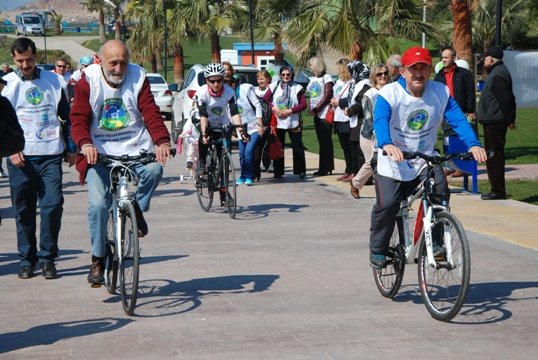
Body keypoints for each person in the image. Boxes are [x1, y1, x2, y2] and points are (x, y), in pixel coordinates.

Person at [369, 46, 487, 268]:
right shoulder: (389, 93)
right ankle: (378, 249)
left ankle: (438, 243)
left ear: (431, 70)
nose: (418, 73)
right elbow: (380, 120)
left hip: (424, 158)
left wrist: (473, 144)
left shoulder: (440, 92)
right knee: (389, 204)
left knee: (440, 192)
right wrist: (387, 144)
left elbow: (458, 120)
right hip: (392, 160)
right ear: (402, 71)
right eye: (413, 68)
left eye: (423, 67)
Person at [70, 40, 172, 286]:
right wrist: (85, 144)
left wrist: (161, 141)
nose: (118, 68)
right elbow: (78, 118)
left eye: (122, 62)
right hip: (99, 154)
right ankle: (98, 257)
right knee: (98, 205)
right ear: (100, 61)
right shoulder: (89, 80)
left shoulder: (138, 77)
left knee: (155, 169)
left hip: (135, 149)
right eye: (112, 62)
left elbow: (150, 111)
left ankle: (137, 206)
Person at [1, 37, 77, 279]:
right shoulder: (9, 84)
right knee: (23, 211)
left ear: (36, 57)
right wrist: (11, 149)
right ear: (13, 59)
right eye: (20, 61)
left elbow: (66, 115)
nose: (25, 65)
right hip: (20, 159)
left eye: (30, 60)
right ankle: (27, 259)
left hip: (50, 155)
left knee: (52, 206)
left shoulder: (54, 81)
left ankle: (47, 258)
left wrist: (71, 146)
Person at [197, 63, 246, 202]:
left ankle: (224, 193)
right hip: (204, 120)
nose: (216, 84)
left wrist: (241, 131)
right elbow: (203, 115)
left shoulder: (229, 92)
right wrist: (205, 134)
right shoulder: (202, 93)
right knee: (204, 136)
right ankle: (202, 163)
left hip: (222, 123)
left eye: (219, 80)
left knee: (224, 159)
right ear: (207, 80)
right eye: (212, 81)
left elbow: (234, 112)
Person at [477, 46, 516, 200]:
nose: (483, 60)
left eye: (485, 58)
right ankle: (497, 189)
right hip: (492, 119)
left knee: (494, 155)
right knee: (493, 154)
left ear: (491, 59)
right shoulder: (497, 72)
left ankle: (498, 191)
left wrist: (510, 118)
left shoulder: (498, 73)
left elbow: (506, 98)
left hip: (495, 120)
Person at [434, 47, 477, 177]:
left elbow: (470, 93)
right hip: (445, 114)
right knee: (448, 140)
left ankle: (463, 167)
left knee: (463, 139)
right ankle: (450, 165)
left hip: (463, 113)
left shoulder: (464, 74)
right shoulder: (439, 76)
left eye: (446, 57)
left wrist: (470, 111)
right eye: (442, 57)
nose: (444, 60)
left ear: (454, 58)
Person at [350, 63, 389, 199]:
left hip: (387, 134)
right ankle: (356, 184)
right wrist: (380, 132)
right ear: (374, 76)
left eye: (385, 73)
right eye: (379, 74)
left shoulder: (391, 91)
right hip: (369, 135)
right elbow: (368, 118)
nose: (383, 76)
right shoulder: (370, 94)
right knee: (372, 162)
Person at [270, 65, 307, 179]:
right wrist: (274, 108)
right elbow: (266, 99)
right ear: (280, 75)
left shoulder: (298, 87)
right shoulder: (274, 86)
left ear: (291, 75)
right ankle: (278, 171)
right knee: (278, 146)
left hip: (293, 120)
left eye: (288, 74)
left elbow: (303, 104)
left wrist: (291, 110)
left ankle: (300, 171)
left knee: (297, 146)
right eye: (283, 74)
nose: (286, 76)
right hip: (279, 121)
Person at [341, 60, 371, 183]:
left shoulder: (365, 84)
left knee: (361, 150)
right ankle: (356, 173)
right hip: (355, 121)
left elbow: (360, 103)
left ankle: (364, 178)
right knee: (355, 147)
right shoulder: (356, 83)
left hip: (361, 120)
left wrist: (349, 111)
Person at [307, 56, 334, 176]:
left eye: (311, 65)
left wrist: (317, 108)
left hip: (324, 114)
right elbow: (310, 95)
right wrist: (311, 108)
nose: (310, 67)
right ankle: (323, 166)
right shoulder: (312, 79)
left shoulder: (327, 78)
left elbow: (328, 95)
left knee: (326, 141)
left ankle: (326, 167)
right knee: (321, 141)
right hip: (316, 114)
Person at [330, 58, 353, 182]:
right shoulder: (338, 81)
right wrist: (333, 102)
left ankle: (353, 170)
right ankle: (348, 170)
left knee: (350, 146)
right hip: (338, 117)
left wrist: (339, 102)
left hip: (347, 118)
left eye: (339, 67)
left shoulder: (352, 82)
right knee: (344, 146)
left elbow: (351, 100)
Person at [253, 69, 274, 178]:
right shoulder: (254, 90)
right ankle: (256, 172)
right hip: (258, 123)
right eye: (258, 78)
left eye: (263, 78)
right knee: (257, 147)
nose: (260, 80)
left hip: (270, 122)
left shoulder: (272, 89)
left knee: (269, 146)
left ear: (268, 79)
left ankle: (269, 165)